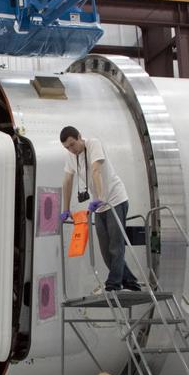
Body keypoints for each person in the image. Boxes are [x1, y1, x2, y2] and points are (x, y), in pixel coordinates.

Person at [59, 126, 141, 294]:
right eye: (67, 147)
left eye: (72, 144)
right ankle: (131, 282)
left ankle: (113, 284)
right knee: (105, 251)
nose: (71, 149)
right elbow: (67, 181)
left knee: (116, 246)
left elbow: (96, 170)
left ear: (80, 137)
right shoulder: (71, 156)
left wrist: (101, 197)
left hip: (115, 200)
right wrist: (65, 209)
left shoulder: (93, 144)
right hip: (100, 207)